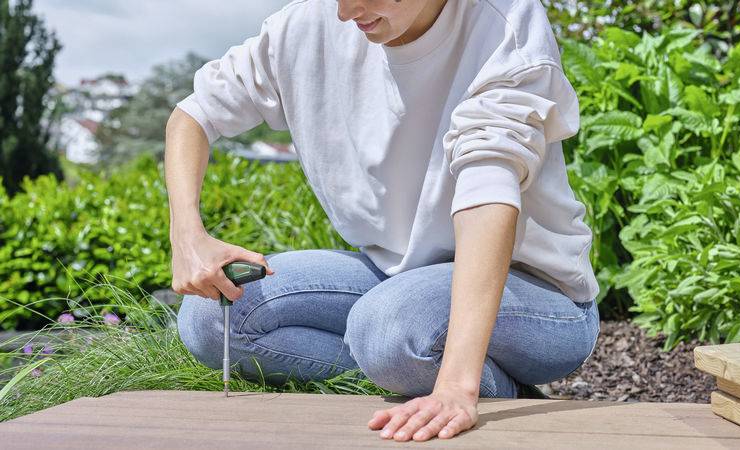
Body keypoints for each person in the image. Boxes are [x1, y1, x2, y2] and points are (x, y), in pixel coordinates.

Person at [165, 0, 600, 442]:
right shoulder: (304, 26)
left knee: (388, 332)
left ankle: (484, 387)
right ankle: (410, 378)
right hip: (392, 278)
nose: (345, 11)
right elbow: (194, 114)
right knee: (211, 316)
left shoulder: (503, 21)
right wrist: (187, 234)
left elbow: (487, 191)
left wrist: (456, 387)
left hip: (537, 295)